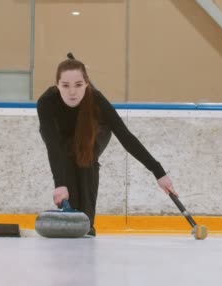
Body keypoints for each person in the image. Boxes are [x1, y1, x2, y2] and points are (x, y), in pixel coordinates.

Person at [36, 53, 178, 237]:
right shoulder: (46, 102)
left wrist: (158, 172)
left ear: (86, 84)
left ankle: (87, 223)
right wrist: (60, 184)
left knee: (85, 158)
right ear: (57, 85)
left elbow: (125, 136)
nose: (72, 92)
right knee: (66, 156)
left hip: (94, 133)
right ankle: (71, 213)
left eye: (78, 85)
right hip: (60, 139)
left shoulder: (97, 100)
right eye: (65, 85)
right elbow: (54, 147)